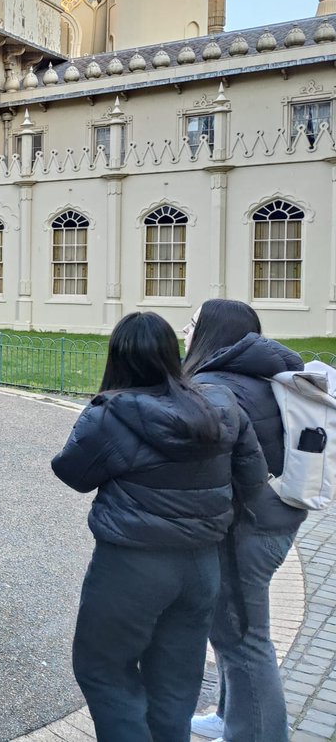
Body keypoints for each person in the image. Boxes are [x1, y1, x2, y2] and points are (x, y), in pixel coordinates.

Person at [51, 312, 268, 742]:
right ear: (173, 354)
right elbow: (254, 480)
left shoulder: (110, 414)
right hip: (202, 565)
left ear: (117, 358)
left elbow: (73, 473)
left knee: (102, 667)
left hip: (132, 565)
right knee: (175, 682)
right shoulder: (220, 405)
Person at [182, 300, 307, 742]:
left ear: (212, 333)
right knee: (234, 629)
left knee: (244, 638)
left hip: (244, 526)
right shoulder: (258, 375)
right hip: (274, 515)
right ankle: (230, 715)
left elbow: (207, 470)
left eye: (193, 323)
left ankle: (256, 733)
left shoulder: (216, 386)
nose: (185, 330)